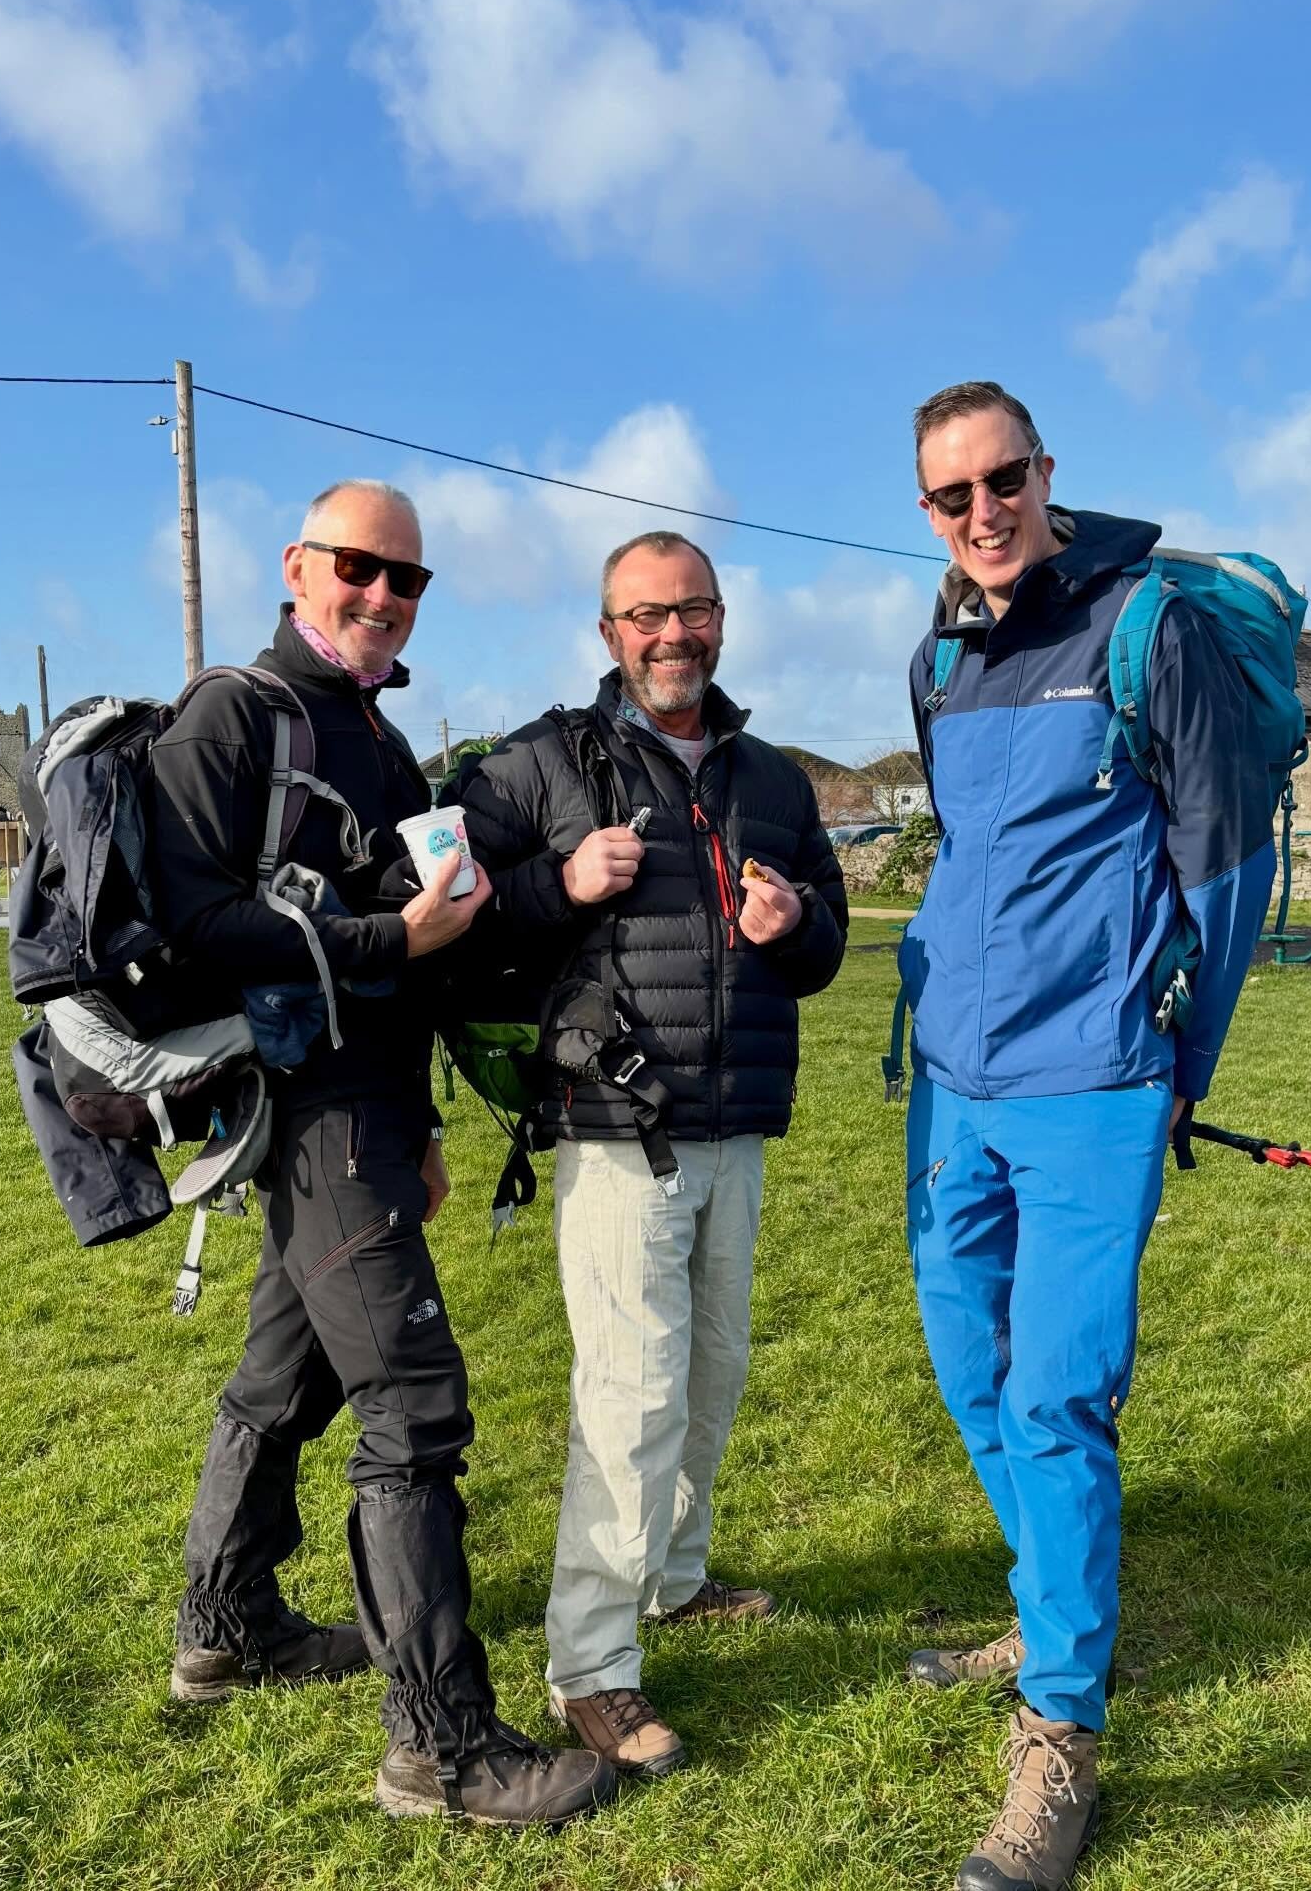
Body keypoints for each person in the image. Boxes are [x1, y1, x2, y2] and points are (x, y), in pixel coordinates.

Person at [150, 479, 617, 1830]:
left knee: (281, 1381)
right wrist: (384, 943)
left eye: (409, 581)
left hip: (361, 1117)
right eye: (360, 567)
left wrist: (413, 1121)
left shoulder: (378, 740)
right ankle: (443, 1746)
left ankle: (225, 1624)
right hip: (302, 1118)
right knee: (411, 1412)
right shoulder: (235, 714)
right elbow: (191, 919)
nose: (383, 596)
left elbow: (419, 958)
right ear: (297, 564)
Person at [899, 383, 1275, 1890]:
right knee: (970, 1368)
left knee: (1057, 1393)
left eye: (1003, 478)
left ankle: (1058, 1727)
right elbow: (968, 849)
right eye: (949, 493)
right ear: (924, 508)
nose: (982, 510)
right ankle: (1051, 1593)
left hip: (1096, 1087)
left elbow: (1231, 865)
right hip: (952, 1084)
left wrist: (1179, 1063)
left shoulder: (1141, 627)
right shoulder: (935, 654)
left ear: (1047, 473)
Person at [451, 529, 848, 1778]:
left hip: (739, 1130)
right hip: (618, 1131)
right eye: (646, 616)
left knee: (712, 1376)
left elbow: (828, 946)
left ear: (722, 619)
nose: (673, 636)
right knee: (630, 1397)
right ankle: (592, 1664)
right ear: (609, 631)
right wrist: (559, 883)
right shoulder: (541, 764)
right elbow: (446, 916)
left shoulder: (774, 780)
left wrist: (795, 929)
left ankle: (673, 1578)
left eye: (694, 612)